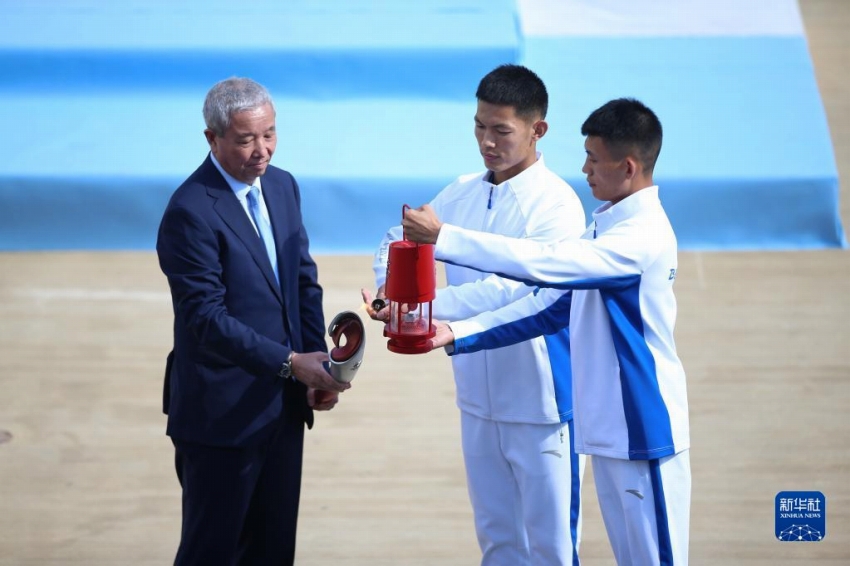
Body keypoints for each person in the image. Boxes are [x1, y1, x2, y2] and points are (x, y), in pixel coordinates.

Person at [403, 98, 691, 565]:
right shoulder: (606, 228)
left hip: (644, 428)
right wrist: (456, 332)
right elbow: (548, 308)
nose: (585, 169)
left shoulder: (639, 238)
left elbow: (544, 263)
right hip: (609, 430)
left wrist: (446, 238)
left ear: (628, 167)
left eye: (593, 159)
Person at [364, 64, 587, 565]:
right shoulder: (461, 191)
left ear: (537, 129)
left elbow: (511, 292)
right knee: (498, 543)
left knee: (552, 550)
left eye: (501, 130)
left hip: (541, 406)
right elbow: (398, 236)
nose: (487, 141)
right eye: (479, 126)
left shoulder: (558, 207)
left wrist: (418, 309)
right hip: (476, 402)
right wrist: (389, 285)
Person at [156, 77, 350, 565]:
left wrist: (317, 367)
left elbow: (303, 283)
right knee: (212, 551)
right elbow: (205, 319)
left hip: (283, 409)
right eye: (246, 140)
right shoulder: (189, 211)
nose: (262, 150)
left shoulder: (282, 186)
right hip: (221, 416)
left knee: (272, 550)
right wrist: (291, 363)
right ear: (212, 138)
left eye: (269, 134)